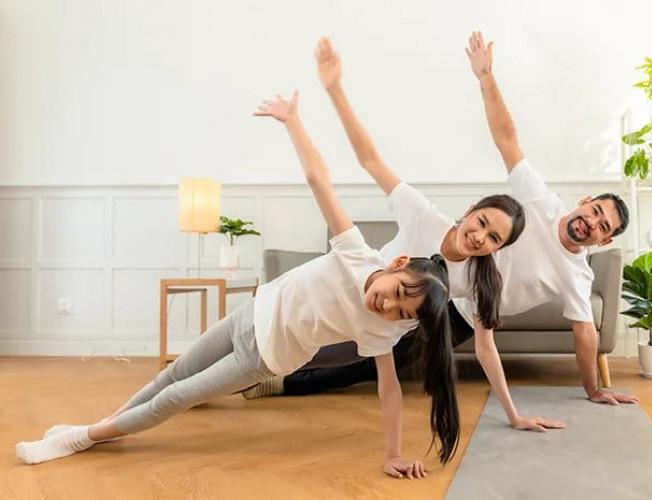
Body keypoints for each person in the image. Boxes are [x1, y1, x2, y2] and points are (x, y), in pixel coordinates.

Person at [16, 91, 457, 479]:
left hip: (266, 356)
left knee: (177, 397)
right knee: (171, 374)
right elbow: (317, 180)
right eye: (397, 293)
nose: (387, 307)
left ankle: (76, 439)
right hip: (252, 313)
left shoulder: (384, 330)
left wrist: (393, 453)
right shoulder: (356, 252)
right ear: (397, 264)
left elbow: (389, 388)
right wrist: (293, 121)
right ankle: (101, 429)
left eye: (401, 314)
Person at [246, 33, 638, 413]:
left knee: (378, 358)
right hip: (422, 278)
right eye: (595, 212)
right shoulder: (536, 199)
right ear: (585, 203)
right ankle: (261, 342)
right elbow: (506, 138)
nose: (592, 224)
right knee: (344, 323)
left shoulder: (576, 274)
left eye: (603, 228)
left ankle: (279, 382)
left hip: (465, 312)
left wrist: (593, 390)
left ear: (603, 242)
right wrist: (485, 77)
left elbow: (585, 332)